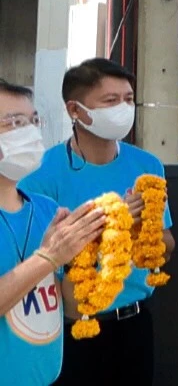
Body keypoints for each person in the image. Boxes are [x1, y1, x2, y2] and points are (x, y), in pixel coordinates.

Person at [21, 58, 175, 385]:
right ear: (75, 111)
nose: (123, 108)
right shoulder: (40, 174)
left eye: (129, 99)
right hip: (71, 328)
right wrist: (110, 224)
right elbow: (38, 266)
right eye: (111, 100)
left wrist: (139, 229)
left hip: (134, 322)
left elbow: (166, 245)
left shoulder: (148, 165)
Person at [0, 80, 106, 386]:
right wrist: (48, 257)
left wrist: (79, 259)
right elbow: (48, 259)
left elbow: (71, 309)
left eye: (34, 121)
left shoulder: (47, 209)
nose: (32, 132)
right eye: (16, 123)